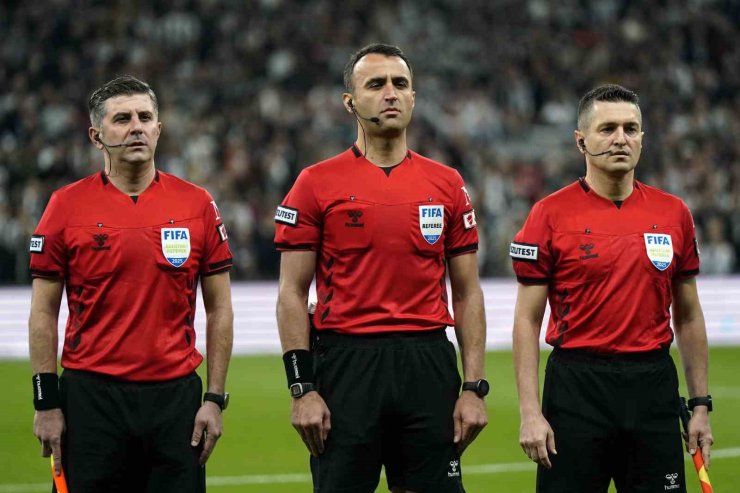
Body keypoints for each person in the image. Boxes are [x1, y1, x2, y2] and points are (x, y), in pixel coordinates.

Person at [274, 43, 488, 493]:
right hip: (347, 365)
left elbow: (468, 291)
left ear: (413, 97)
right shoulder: (315, 183)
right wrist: (302, 387)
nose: (391, 93)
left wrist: (473, 387)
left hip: (427, 363)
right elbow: (292, 291)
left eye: (400, 84)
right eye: (375, 84)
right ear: (349, 102)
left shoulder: (447, 183)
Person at [29, 75, 234, 492]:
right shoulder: (65, 206)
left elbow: (220, 308)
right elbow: (43, 311)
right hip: (91, 399)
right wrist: (46, 402)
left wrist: (214, 398)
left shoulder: (197, 203)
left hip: (175, 401)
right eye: (122, 119)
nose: (136, 127)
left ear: (158, 128)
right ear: (96, 136)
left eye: (144, 117)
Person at [511, 84, 713, 492]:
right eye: (607, 129)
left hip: (652, 386)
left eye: (630, 128)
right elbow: (527, 319)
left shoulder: (674, 214)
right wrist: (530, 412)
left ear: (642, 138)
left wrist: (700, 406)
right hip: (576, 388)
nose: (621, 138)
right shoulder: (548, 214)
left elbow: (689, 315)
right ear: (581, 141)